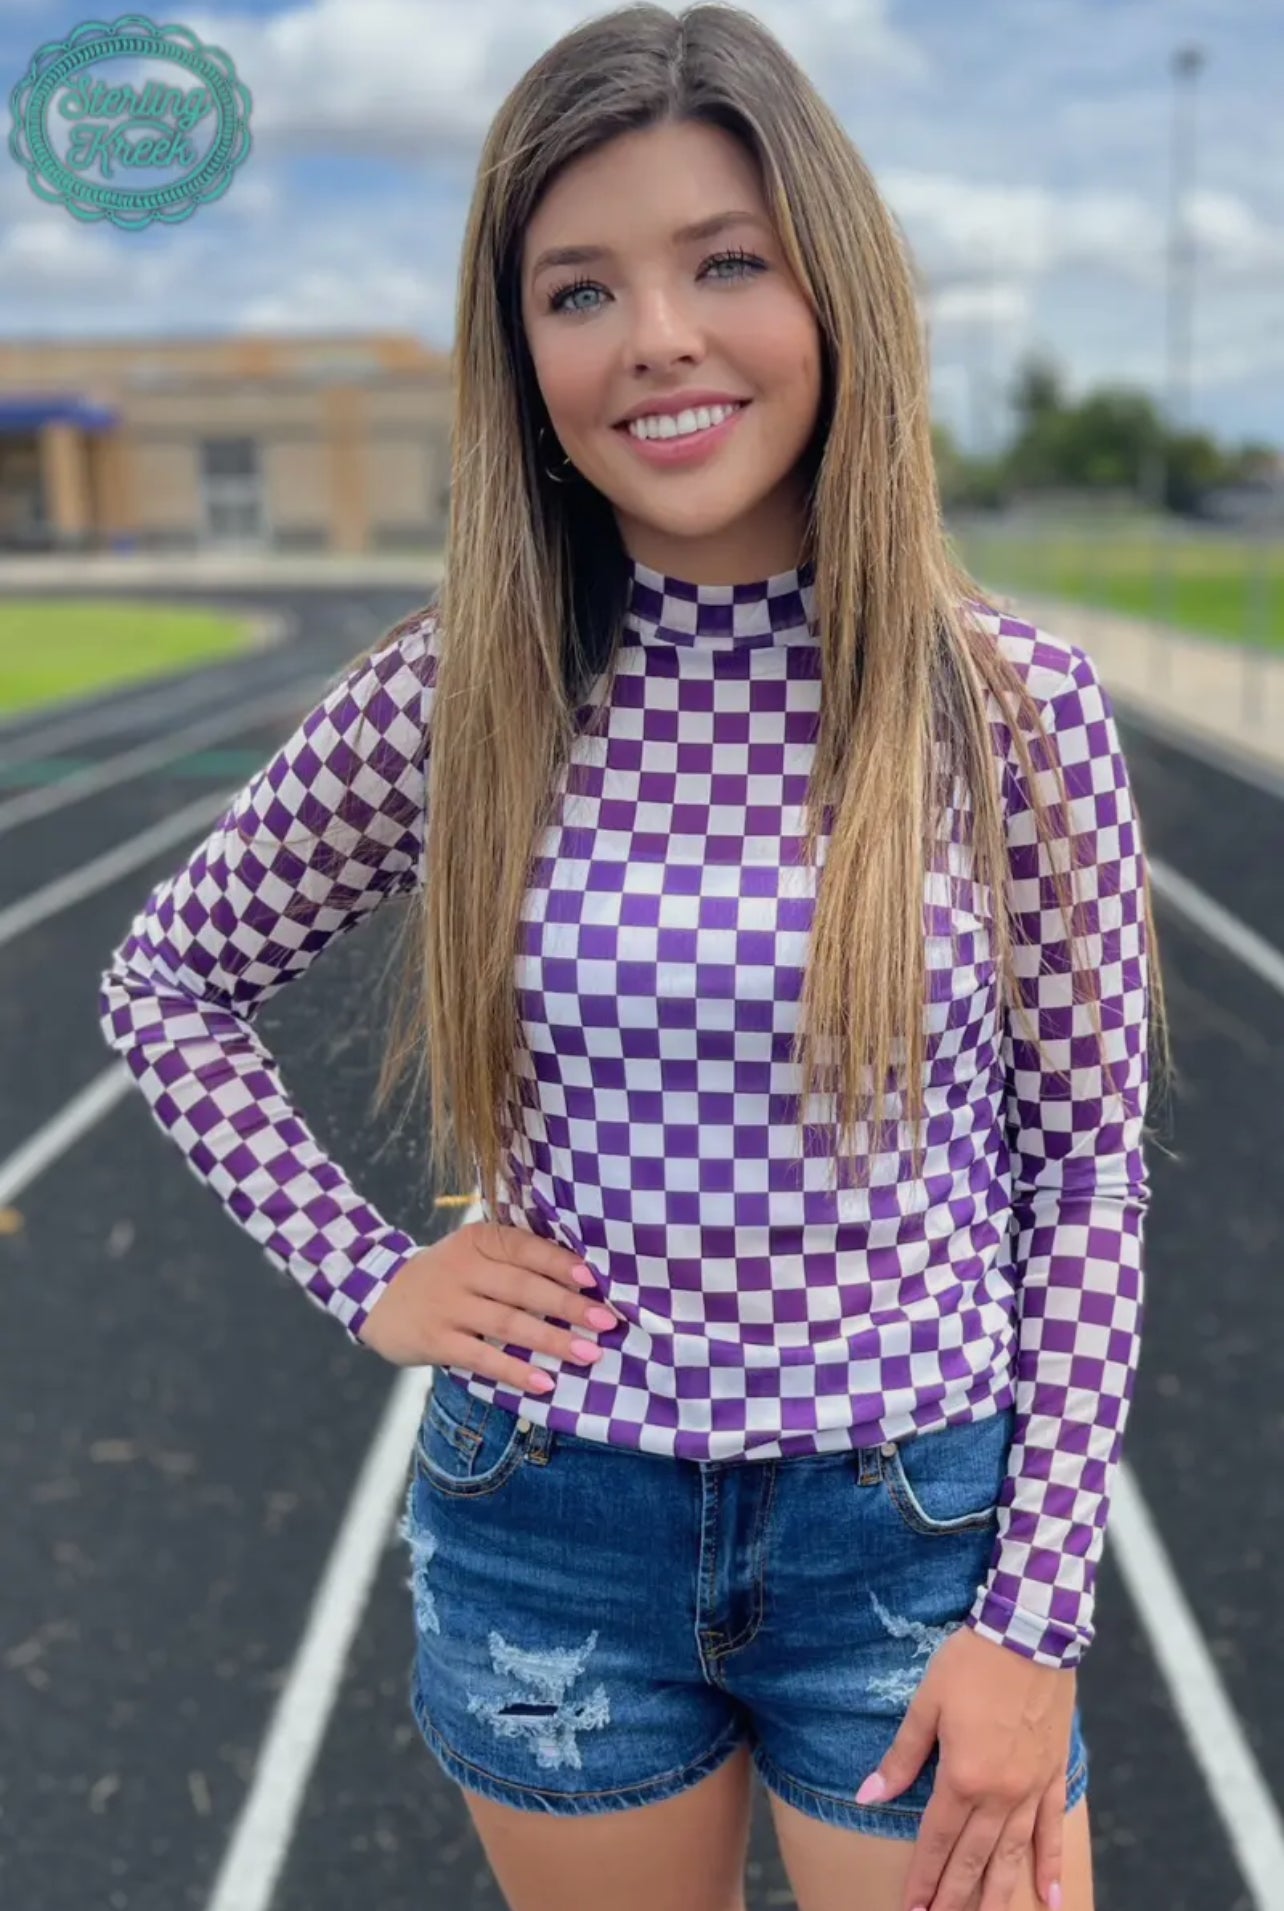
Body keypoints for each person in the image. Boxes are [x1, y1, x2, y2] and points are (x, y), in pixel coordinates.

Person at [98, 6, 1173, 1909]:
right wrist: (374, 1278)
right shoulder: (453, 700)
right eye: (578, 289)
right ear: (523, 360)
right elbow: (160, 986)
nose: (656, 334)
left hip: (916, 1537)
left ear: (834, 292)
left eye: (725, 263)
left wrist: (1037, 1618)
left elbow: (1085, 1171)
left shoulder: (1007, 713)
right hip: (557, 1535)